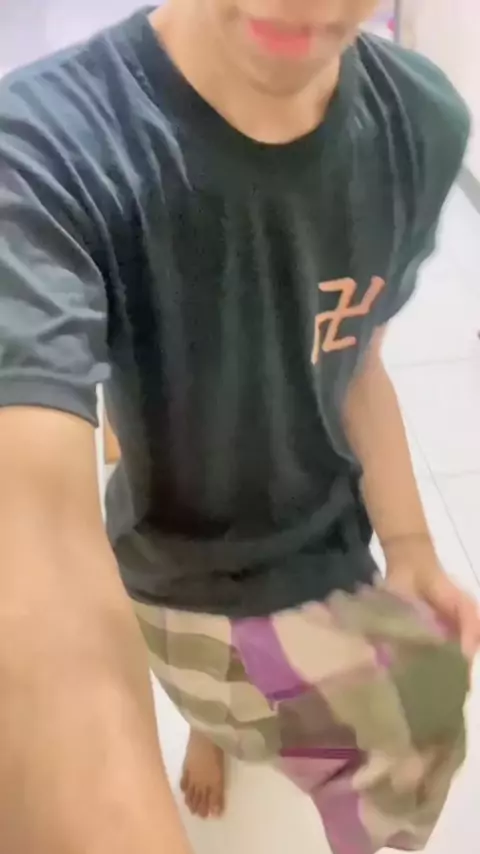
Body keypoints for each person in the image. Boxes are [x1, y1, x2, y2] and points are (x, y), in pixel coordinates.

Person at [0, 2, 478, 853]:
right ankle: (211, 726)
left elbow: (355, 355)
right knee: (265, 702)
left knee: (430, 710)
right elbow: (35, 551)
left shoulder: (418, 123)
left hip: (333, 543)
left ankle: (222, 727)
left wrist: (409, 545)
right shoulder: (45, 152)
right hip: (187, 580)